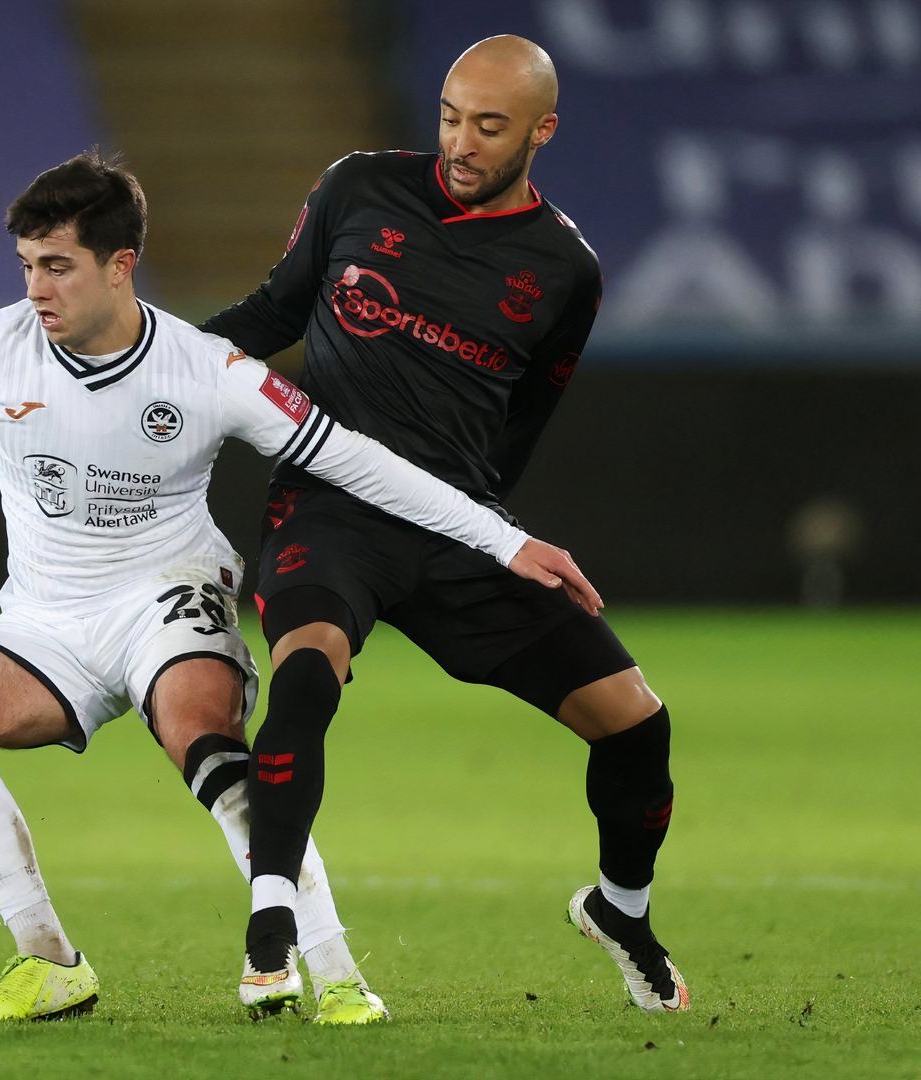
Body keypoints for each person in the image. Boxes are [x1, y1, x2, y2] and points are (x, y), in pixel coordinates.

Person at [0, 151, 598, 1023]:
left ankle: (332, 972)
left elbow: (356, 460)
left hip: (167, 596)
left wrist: (504, 539)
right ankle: (49, 963)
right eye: (27, 265)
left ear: (120, 265)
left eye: (58, 266)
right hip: (44, 619)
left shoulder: (208, 370)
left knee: (199, 731)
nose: (36, 288)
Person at [199, 35, 688, 1012]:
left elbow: (522, 428)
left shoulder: (565, 271)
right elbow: (269, 314)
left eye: (491, 126)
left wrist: (489, 532)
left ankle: (621, 909)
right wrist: (147, 362)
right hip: (329, 507)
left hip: (459, 526)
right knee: (304, 674)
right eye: (451, 116)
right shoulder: (358, 191)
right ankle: (271, 927)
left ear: (543, 131)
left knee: (636, 726)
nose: (461, 143)